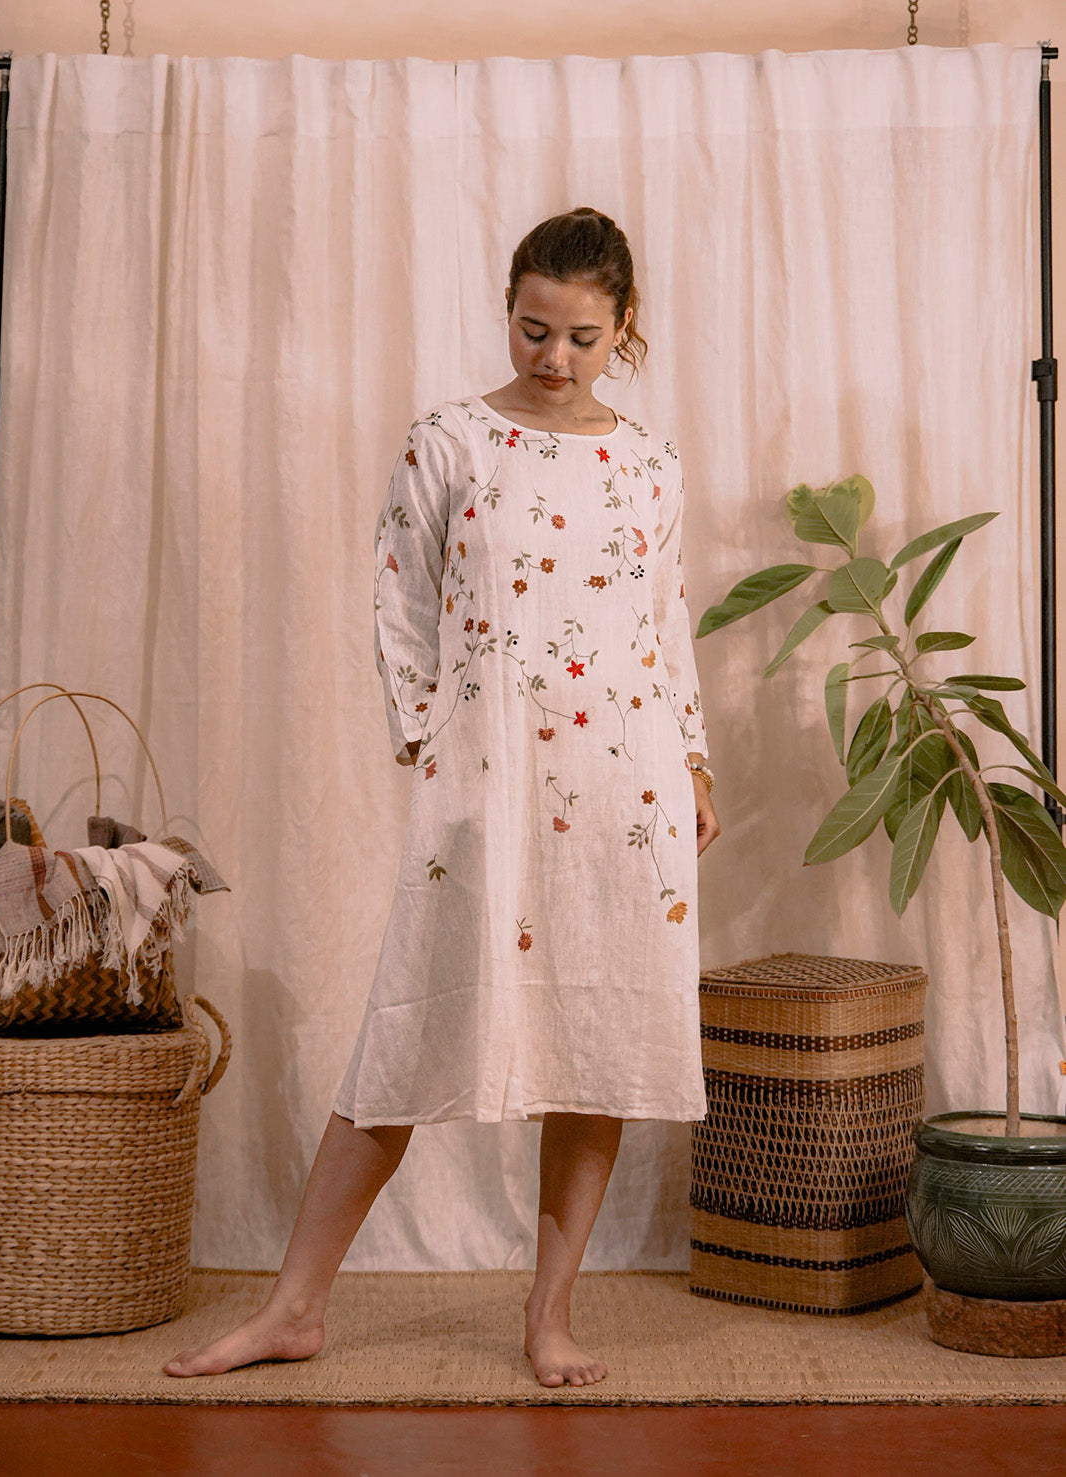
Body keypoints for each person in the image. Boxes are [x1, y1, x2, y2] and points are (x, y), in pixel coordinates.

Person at [165, 207, 720, 1388]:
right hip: (489, 778)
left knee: (596, 1044)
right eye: (532, 328)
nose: (553, 357)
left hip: (625, 788)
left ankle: (548, 1318)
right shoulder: (450, 442)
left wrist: (694, 759)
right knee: (405, 1035)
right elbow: (401, 602)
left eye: (580, 336)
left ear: (623, 326)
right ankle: (292, 1308)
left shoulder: (651, 463)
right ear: (507, 310)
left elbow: (663, 621)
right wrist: (435, 746)